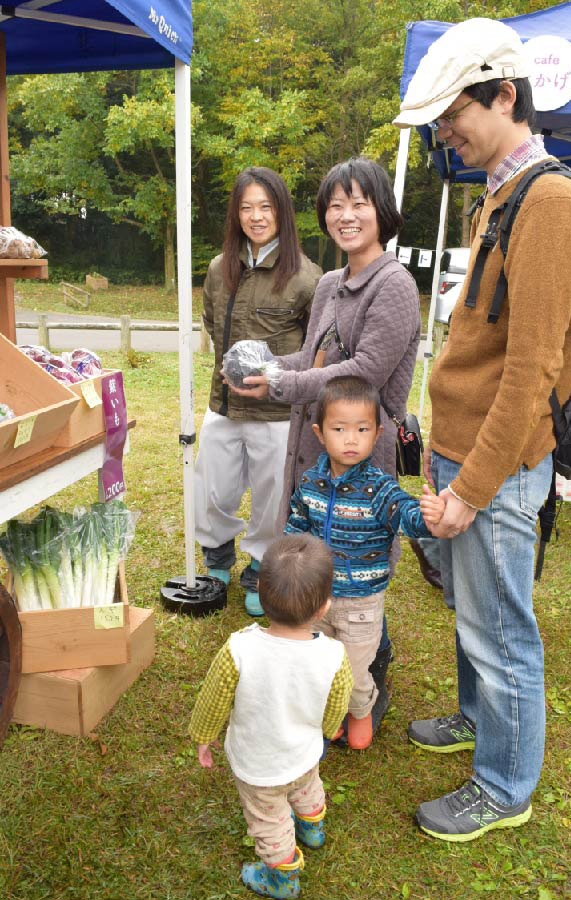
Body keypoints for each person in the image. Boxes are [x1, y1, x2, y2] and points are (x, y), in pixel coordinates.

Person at [394, 17, 571, 842]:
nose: (446, 132)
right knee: (473, 609)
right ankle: (479, 719)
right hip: (462, 448)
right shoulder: (501, 194)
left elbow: (532, 372)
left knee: (502, 626)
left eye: (454, 114)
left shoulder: (548, 201)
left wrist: (471, 492)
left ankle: (505, 786)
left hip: (499, 465)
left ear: (505, 95)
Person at [226, 156, 422, 683]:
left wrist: (284, 385)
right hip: (312, 452)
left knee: (356, 569)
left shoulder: (395, 285)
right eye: (336, 205)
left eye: (359, 203)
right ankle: (322, 675)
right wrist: (267, 367)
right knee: (316, 563)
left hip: (358, 455)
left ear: (382, 210)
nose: (346, 215)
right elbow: (312, 356)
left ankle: (369, 671)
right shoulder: (332, 281)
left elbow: (363, 373)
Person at [189, 533, 353, 899]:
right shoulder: (334, 655)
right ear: (324, 607)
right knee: (307, 787)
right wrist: (326, 732)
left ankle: (282, 878)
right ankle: (312, 827)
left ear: (260, 597)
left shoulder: (239, 649)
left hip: (259, 765)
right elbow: (338, 700)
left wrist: (204, 736)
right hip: (306, 752)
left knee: (269, 821)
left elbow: (213, 699)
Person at [285, 375, 445, 750]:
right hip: (315, 600)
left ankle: (361, 709)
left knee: (354, 675)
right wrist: (287, 573)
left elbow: (407, 515)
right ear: (320, 433)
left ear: (377, 434)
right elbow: (294, 533)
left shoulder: (379, 487)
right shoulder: (310, 483)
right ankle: (328, 718)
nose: (351, 438)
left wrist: (429, 517)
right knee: (318, 670)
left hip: (361, 607)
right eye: (339, 429)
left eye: (362, 429)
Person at [195, 167, 321, 615]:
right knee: (213, 488)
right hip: (224, 406)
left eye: (265, 206)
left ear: (282, 212)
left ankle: (257, 569)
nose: (256, 216)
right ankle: (216, 561)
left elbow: (314, 348)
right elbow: (212, 322)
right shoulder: (218, 268)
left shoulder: (307, 276)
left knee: (272, 497)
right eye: (246, 207)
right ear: (236, 215)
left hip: (276, 414)